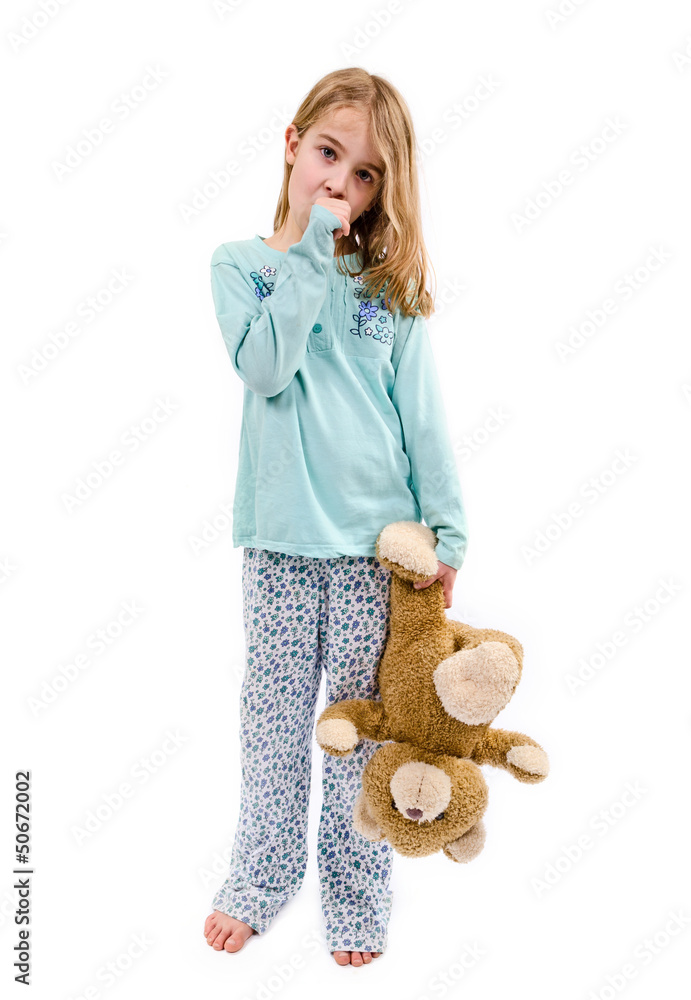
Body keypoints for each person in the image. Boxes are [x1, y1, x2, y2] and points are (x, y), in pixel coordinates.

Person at [203, 67, 469, 968]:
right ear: (291, 144)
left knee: (360, 734)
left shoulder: (387, 291)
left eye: (362, 176)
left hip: (375, 554)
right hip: (280, 548)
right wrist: (310, 254)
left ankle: (356, 897)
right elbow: (267, 370)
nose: (339, 186)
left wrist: (447, 532)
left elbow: (423, 418)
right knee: (273, 725)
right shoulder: (244, 269)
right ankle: (261, 874)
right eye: (328, 155)